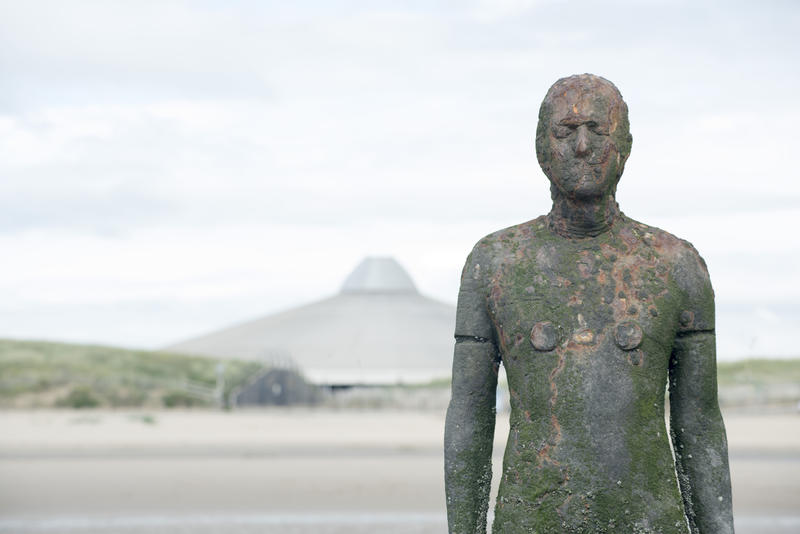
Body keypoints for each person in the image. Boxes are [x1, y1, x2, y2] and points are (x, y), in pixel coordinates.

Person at [444, 74, 734, 533]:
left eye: (597, 131)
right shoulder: (495, 263)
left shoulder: (675, 265)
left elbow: (698, 424)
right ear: (541, 148)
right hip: (532, 519)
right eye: (565, 131)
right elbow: (469, 415)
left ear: (625, 145)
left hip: (650, 521)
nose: (581, 146)